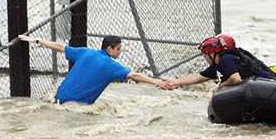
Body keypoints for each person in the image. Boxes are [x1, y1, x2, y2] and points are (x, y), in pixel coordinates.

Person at [18, 34, 168, 104]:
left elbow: (59, 47)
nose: (120, 52)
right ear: (109, 49)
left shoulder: (85, 51)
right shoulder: (112, 66)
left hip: (59, 97)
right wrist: (157, 82)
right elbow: (135, 76)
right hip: (76, 105)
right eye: (119, 49)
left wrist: (37, 40)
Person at [166, 35, 276, 89]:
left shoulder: (225, 60)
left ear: (212, 53)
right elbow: (197, 77)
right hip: (262, 84)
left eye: (205, 55)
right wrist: (175, 82)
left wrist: (221, 85)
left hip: (267, 84)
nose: (204, 58)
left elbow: (236, 79)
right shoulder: (219, 64)